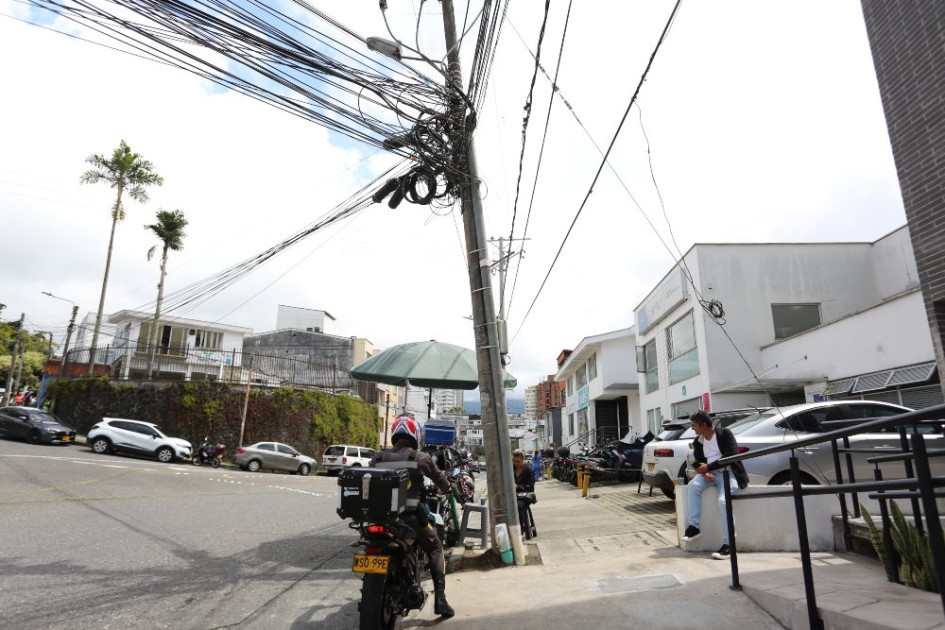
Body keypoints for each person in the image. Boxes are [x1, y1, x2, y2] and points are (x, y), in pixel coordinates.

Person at [370, 414, 455, 618]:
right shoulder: (420, 458)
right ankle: (440, 600)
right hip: (410, 521)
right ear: (414, 435)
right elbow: (441, 481)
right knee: (435, 546)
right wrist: (447, 488)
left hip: (380, 520)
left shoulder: (377, 457)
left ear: (395, 434)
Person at [681, 410, 749, 559]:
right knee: (693, 486)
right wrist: (704, 472)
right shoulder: (698, 441)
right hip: (711, 475)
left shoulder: (725, 434)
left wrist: (709, 468)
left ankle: (729, 545)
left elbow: (731, 455)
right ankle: (694, 527)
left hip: (729, 474)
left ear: (703, 425)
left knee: (723, 502)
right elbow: (697, 461)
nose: (692, 428)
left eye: (693, 425)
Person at [512, 448, 535, 534]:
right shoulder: (511, 469)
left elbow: (531, 487)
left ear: (523, 459)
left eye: (518, 462)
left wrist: (518, 487)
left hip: (525, 496)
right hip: (513, 495)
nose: (516, 464)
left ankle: (522, 529)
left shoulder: (529, 470)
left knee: (519, 506)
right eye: (515, 461)